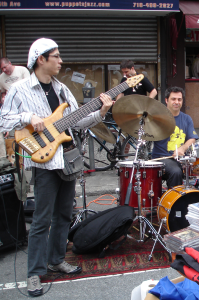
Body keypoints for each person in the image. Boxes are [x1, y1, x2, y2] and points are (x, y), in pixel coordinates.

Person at [0, 38, 113, 297]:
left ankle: (56, 259)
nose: (61, 61)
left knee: (63, 214)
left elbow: (78, 120)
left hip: (68, 158)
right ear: (41, 59)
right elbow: (3, 120)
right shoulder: (20, 89)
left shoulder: (62, 89)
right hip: (44, 161)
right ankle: (34, 273)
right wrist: (29, 117)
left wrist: (101, 111)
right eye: (57, 56)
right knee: (41, 219)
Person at [151, 86, 198, 188]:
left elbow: (192, 138)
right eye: (173, 99)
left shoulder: (187, 118)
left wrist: (183, 148)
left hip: (182, 159)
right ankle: (173, 202)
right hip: (161, 158)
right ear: (166, 100)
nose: (176, 102)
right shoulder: (157, 118)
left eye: (179, 99)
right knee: (176, 171)